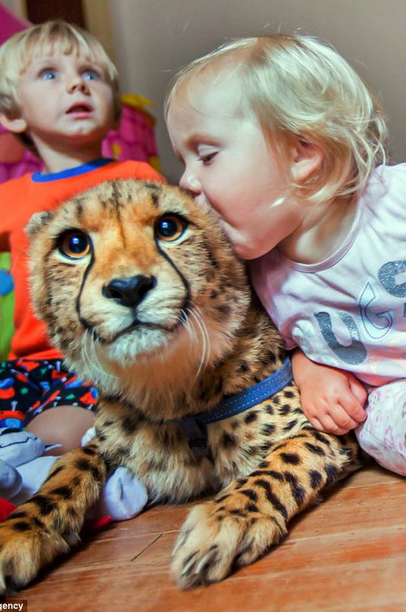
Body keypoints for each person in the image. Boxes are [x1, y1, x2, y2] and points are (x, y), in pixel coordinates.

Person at [0, 20, 164, 480]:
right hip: (23, 369)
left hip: (103, 361)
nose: (76, 83)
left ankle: (35, 487)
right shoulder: (6, 200)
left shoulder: (136, 177)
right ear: (13, 115)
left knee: (53, 438)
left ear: (114, 112)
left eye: (91, 74)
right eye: (50, 74)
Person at [165, 33, 406, 477]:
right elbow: (285, 347)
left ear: (302, 153)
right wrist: (309, 368)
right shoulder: (258, 276)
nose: (186, 181)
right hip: (393, 395)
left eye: (206, 156)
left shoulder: (394, 202)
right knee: (375, 433)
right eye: (184, 161)